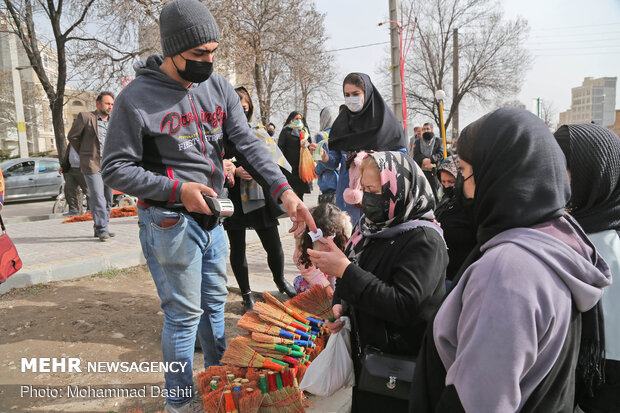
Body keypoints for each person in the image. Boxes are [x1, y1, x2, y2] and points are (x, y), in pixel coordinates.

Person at [101, 1, 316, 411]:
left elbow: (248, 144)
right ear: (172, 50)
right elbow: (115, 168)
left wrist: (284, 192)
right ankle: (180, 402)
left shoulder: (217, 86)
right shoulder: (135, 99)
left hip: (214, 218)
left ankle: (220, 383)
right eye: (198, 54)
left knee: (214, 304)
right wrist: (177, 190)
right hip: (168, 220)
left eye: (213, 52)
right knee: (183, 316)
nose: (208, 61)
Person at [410, 108, 612, 412]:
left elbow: (478, 402)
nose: (461, 187)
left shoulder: (506, 271)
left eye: (465, 172)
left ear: (498, 174)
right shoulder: (557, 240)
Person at [309, 151, 447, 412]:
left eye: (375, 189)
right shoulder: (371, 228)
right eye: (364, 189)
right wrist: (342, 302)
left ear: (400, 188)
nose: (366, 198)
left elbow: (404, 305)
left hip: (402, 368)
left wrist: (346, 272)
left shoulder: (424, 240)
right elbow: (356, 272)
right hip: (370, 361)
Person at [554, 123, 620, 413]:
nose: (555, 177)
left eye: (563, 167)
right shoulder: (556, 230)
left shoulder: (609, 240)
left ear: (595, 173)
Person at [225, 86, 296, 312]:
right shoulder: (219, 132)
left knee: (273, 245)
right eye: (237, 109)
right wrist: (235, 170)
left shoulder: (257, 130)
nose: (241, 115)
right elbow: (213, 159)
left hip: (259, 195)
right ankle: (246, 294)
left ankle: (280, 281)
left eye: (245, 110)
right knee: (237, 248)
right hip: (234, 195)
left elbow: (273, 159)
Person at [320, 72, 408, 224]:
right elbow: (334, 162)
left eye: (355, 93)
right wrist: (325, 157)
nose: (351, 98)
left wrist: (376, 159)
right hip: (348, 199)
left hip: (378, 195)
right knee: (349, 240)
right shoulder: (341, 125)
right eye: (347, 95)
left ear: (366, 93)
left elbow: (401, 157)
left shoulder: (386, 124)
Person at [68, 91, 115, 240]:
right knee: (98, 197)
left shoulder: (114, 120)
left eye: (112, 104)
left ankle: (102, 227)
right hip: (92, 164)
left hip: (109, 164)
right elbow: (72, 136)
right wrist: (84, 152)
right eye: (107, 103)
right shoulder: (86, 117)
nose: (110, 107)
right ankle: (102, 228)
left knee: (108, 198)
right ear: (98, 104)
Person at [294, 202, 352, 295]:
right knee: (304, 286)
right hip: (314, 274)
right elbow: (305, 266)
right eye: (322, 234)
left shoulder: (342, 233)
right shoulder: (305, 238)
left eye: (330, 233)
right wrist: (324, 285)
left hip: (334, 272)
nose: (326, 238)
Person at [434, 155, 476, 282]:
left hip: (462, 274)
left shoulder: (470, 205)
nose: (446, 186)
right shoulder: (446, 201)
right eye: (443, 182)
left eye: (451, 182)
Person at [278, 111, 312, 201]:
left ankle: (300, 206)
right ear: (291, 119)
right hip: (290, 165)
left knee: (301, 190)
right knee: (292, 188)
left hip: (302, 164)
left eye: (300, 119)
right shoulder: (286, 131)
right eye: (296, 118)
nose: (298, 120)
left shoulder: (304, 131)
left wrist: (307, 145)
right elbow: (280, 146)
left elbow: (310, 144)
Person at [413, 122, 445, 202]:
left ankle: (436, 210)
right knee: (422, 194)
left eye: (428, 129)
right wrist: (424, 160)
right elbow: (416, 155)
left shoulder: (438, 141)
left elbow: (441, 154)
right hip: (421, 172)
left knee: (434, 194)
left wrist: (430, 159)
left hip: (433, 172)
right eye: (424, 129)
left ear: (432, 130)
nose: (426, 130)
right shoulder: (417, 142)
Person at [313, 107, 338, 204]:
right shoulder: (340, 134)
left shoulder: (322, 136)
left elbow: (321, 159)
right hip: (340, 181)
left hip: (328, 181)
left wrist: (316, 170)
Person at [59, 142, 89, 216]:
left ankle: (91, 209)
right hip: (71, 168)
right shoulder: (71, 142)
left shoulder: (85, 140)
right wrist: (63, 166)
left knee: (88, 190)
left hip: (83, 169)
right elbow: (67, 155)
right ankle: (74, 210)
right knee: (68, 189)